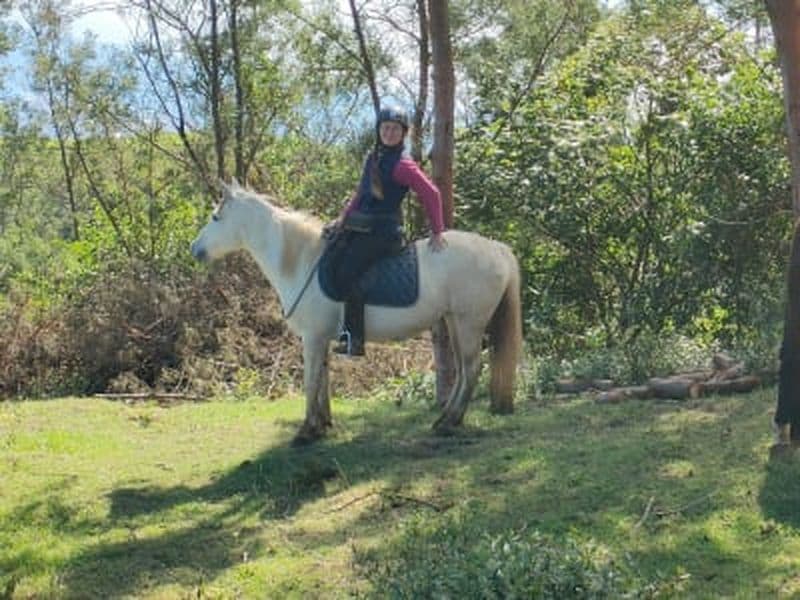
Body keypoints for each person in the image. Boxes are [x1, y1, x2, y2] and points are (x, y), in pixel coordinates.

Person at [329, 105, 447, 357]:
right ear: (379, 130)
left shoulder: (403, 165)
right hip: (361, 227)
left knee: (349, 271)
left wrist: (437, 230)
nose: (389, 133)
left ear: (403, 134)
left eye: (395, 129)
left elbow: (431, 193)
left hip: (384, 233)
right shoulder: (374, 158)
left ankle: (354, 340)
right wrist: (341, 220)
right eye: (385, 128)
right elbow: (360, 195)